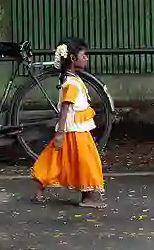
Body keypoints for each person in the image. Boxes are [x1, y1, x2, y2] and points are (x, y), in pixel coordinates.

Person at [31, 37, 106, 209]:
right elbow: (65, 107)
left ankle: (41, 189)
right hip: (74, 130)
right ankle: (88, 197)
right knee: (87, 161)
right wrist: (60, 133)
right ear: (73, 59)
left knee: (56, 159)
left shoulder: (73, 79)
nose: (86, 58)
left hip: (74, 128)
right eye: (84, 55)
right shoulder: (71, 83)